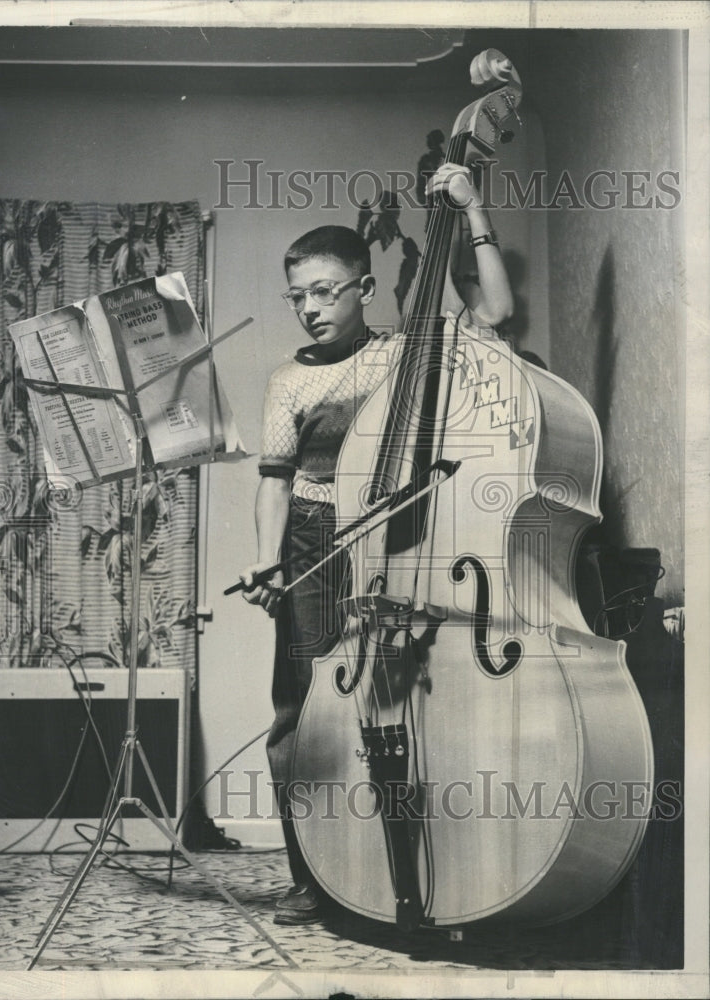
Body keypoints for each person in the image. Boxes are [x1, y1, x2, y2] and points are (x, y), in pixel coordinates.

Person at [239, 164, 513, 925]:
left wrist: (470, 209)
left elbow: (494, 312)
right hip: (312, 540)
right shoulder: (286, 381)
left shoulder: (404, 351)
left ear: (364, 287)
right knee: (303, 715)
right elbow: (275, 481)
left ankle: (398, 866)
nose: (309, 309)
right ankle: (310, 877)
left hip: (396, 533)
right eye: (297, 295)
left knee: (403, 702)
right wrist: (268, 561)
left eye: (324, 291)